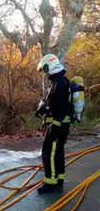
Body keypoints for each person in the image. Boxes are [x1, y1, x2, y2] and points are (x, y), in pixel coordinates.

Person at [35, 53, 73, 194]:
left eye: (44, 69)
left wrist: (55, 125)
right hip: (60, 125)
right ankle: (59, 179)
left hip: (58, 125)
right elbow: (56, 104)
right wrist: (43, 109)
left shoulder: (60, 83)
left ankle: (50, 182)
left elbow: (61, 108)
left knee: (48, 152)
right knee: (57, 152)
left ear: (49, 66)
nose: (45, 73)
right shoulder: (59, 81)